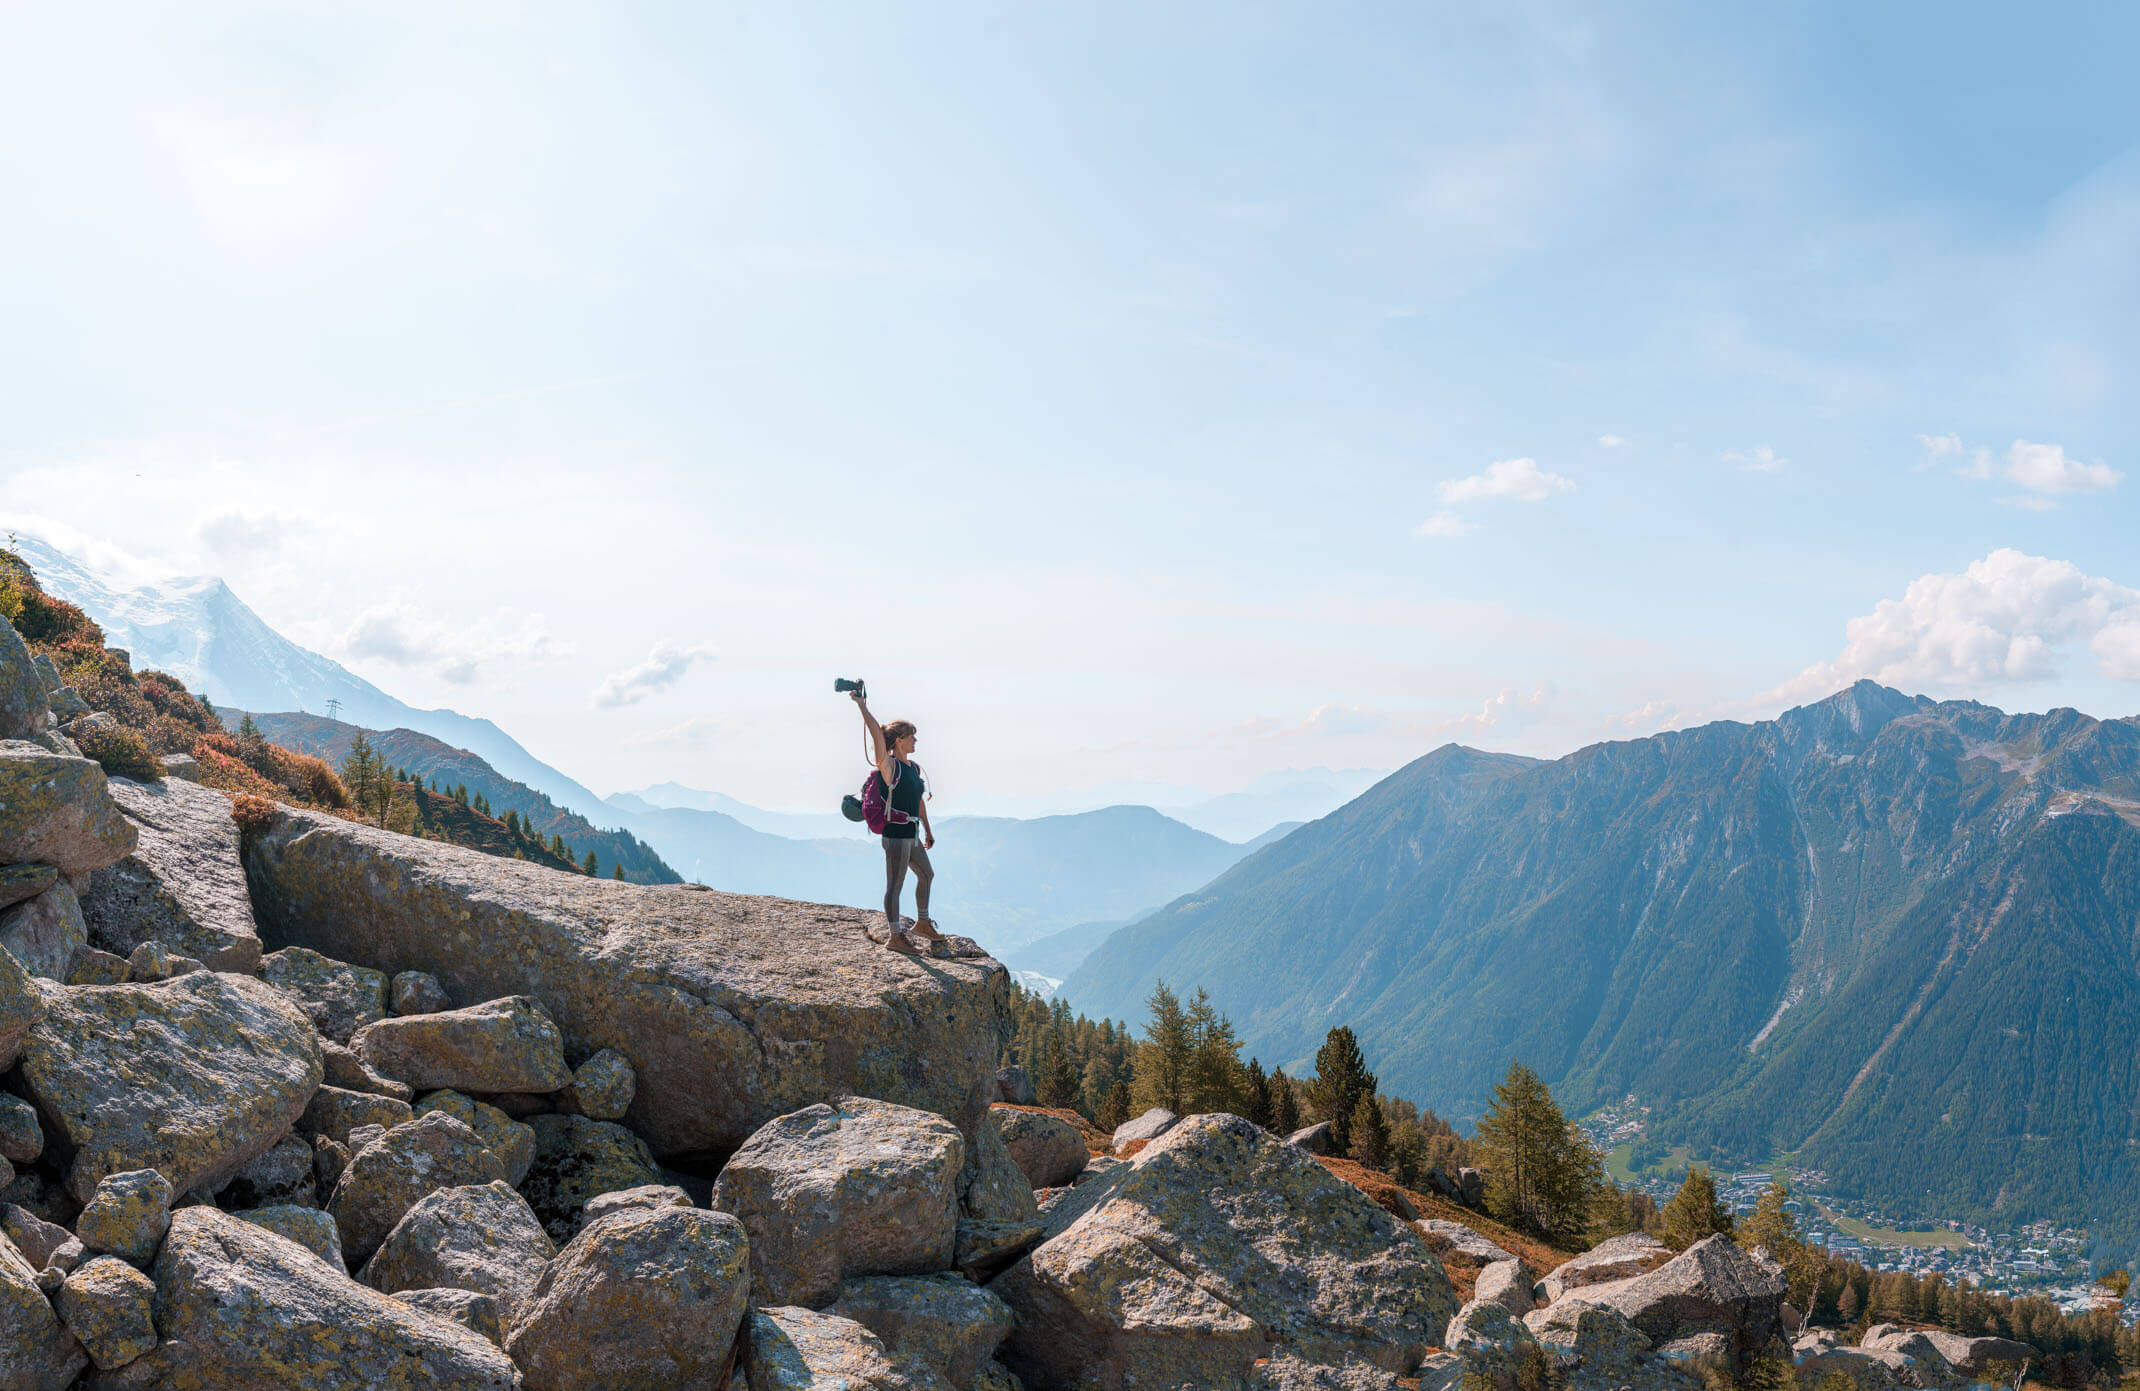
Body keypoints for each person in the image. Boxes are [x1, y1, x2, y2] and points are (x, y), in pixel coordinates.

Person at [853, 689, 941, 954]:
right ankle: (895, 937)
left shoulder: (913, 769)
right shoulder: (889, 766)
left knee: (927, 874)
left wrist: (927, 829)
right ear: (900, 740)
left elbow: (919, 801)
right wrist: (862, 707)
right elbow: (876, 734)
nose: (916, 740)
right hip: (895, 835)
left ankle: (923, 923)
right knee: (895, 885)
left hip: (911, 833)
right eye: (911, 736)